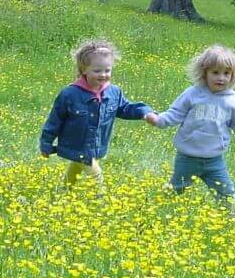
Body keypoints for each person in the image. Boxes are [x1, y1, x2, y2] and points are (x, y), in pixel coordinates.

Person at [146, 44, 235, 206]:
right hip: (187, 157)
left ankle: (230, 217)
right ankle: (158, 209)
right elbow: (175, 113)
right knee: (176, 189)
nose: (221, 78)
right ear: (205, 73)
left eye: (226, 73)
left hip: (214, 160)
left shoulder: (233, 102)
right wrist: (159, 120)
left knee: (226, 193)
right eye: (215, 72)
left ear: (233, 76)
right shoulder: (193, 94)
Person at [40, 38, 152, 188]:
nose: (103, 75)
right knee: (96, 175)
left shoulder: (113, 92)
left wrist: (144, 112)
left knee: (76, 166)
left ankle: (63, 191)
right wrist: (46, 143)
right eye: (97, 70)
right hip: (76, 145)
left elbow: (125, 108)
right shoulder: (70, 94)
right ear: (84, 69)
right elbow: (55, 120)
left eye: (107, 70)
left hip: (95, 146)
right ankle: (102, 199)